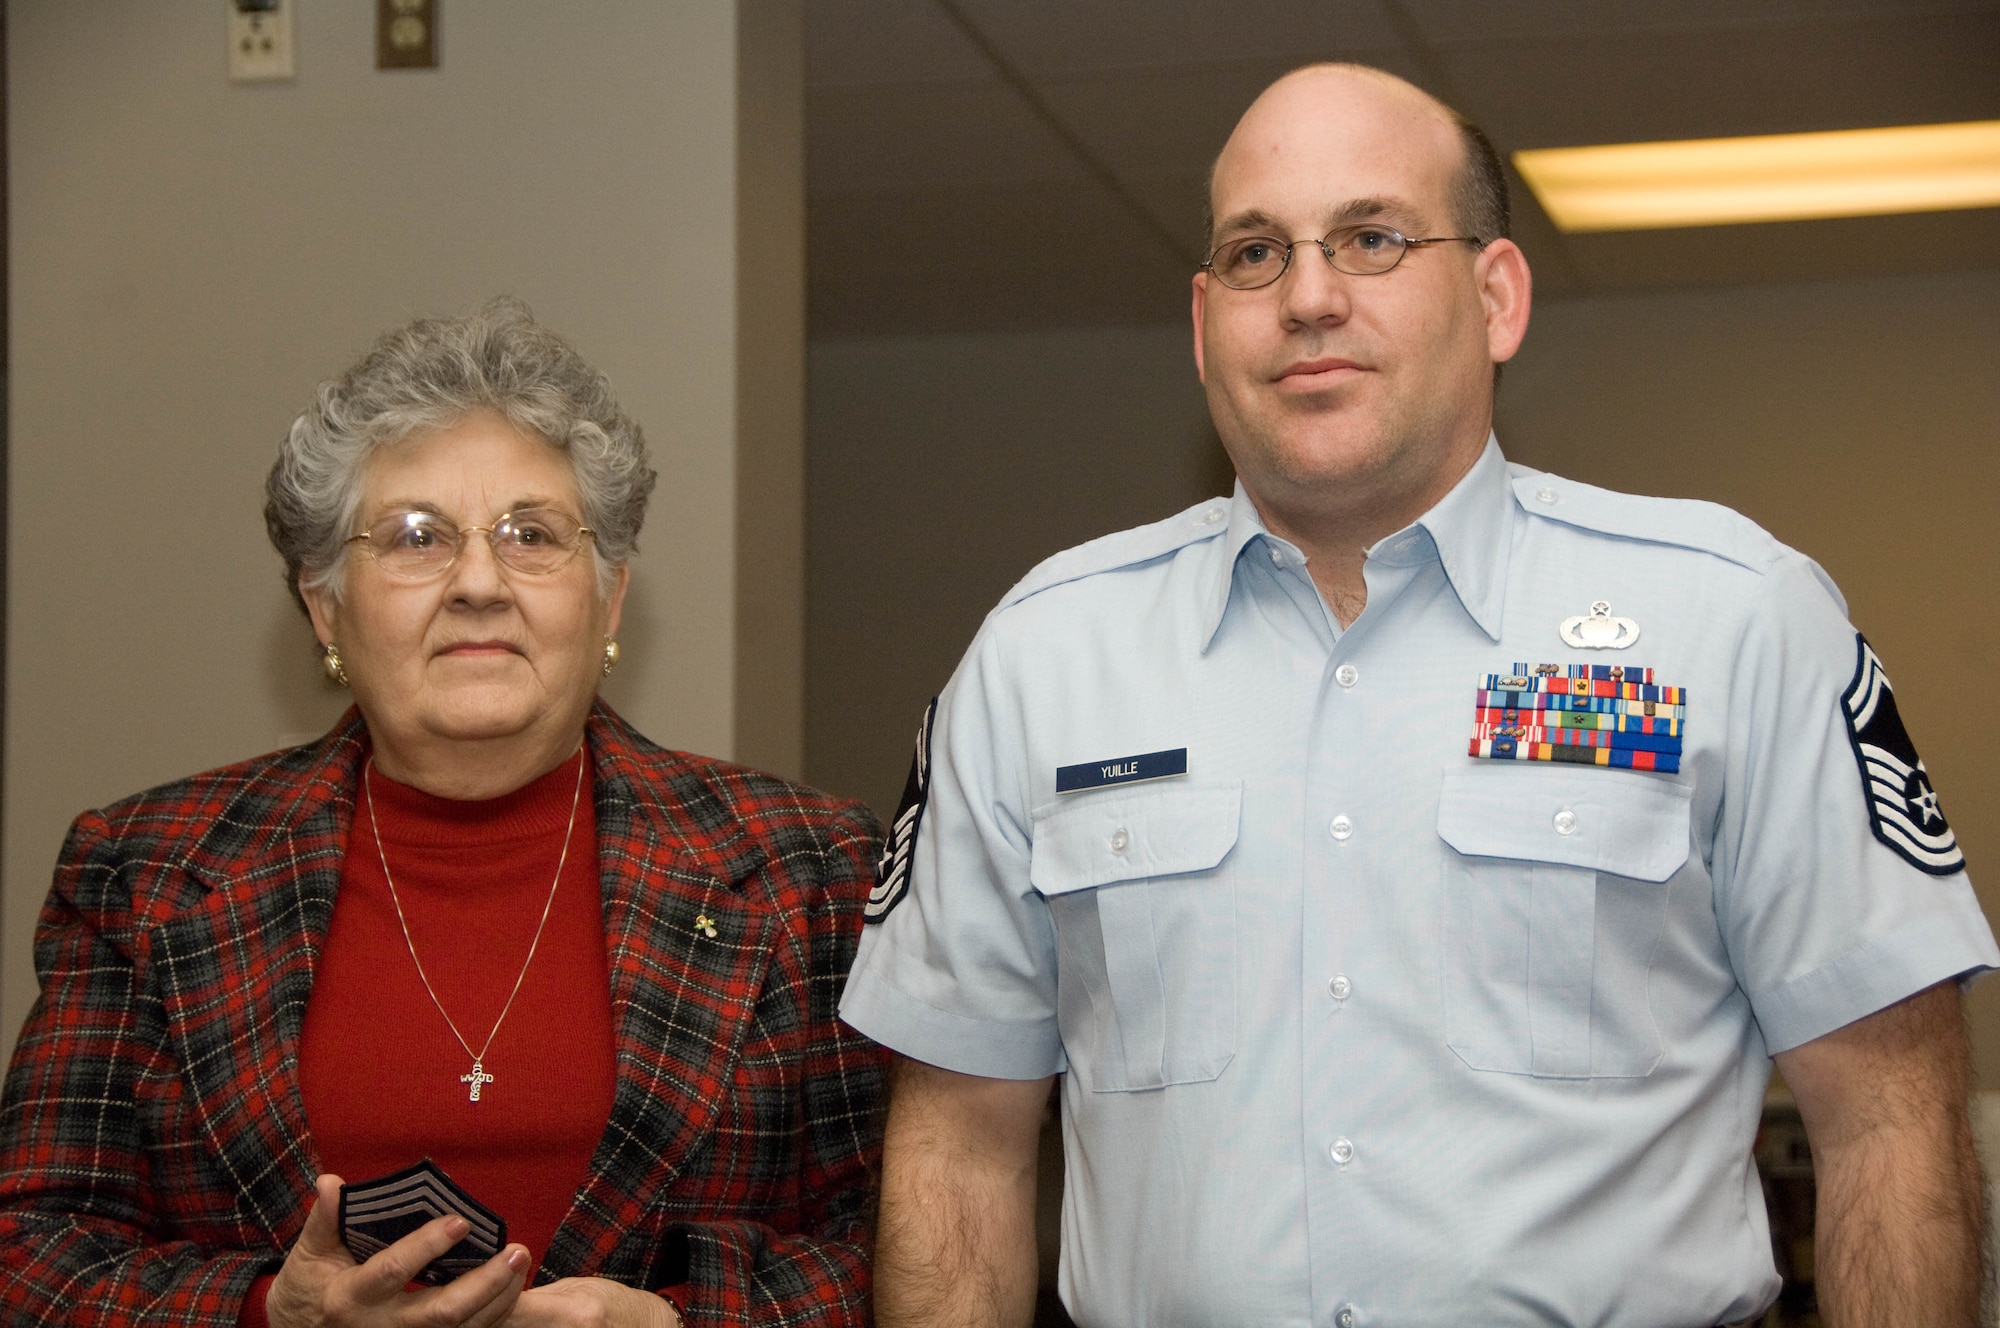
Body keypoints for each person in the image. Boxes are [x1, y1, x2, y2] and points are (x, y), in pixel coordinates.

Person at [839, 63, 1999, 1327]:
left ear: (1496, 296)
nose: (1308, 297)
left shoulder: (1729, 621)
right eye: (1252, 254)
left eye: (1371, 238)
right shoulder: (1040, 659)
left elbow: (1889, 1118)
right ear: (1199, 322)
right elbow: (958, 1150)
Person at [0, 301, 886, 1328]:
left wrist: (676, 1321)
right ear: (326, 607)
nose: (478, 582)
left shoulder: (808, 867)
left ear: (606, 601)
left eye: (532, 534)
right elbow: (35, 1252)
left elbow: (899, 1241)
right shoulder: (144, 870)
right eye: (416, 536)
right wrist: (264, 1314)